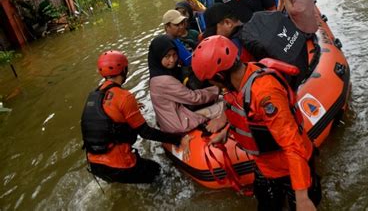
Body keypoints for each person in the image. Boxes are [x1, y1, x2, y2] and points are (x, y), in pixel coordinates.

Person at [192, 36, 321, 211]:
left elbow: (292, 145)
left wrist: (302, 197)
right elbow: (249, 117)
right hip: (266, 167)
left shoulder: (265, 94)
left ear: (221, 75)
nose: (213, 85)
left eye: (212, 80)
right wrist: (227, 132)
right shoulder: (238, 83)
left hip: (290, 167)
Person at [81, 50, 188, 184]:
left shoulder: (95, 95)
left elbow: (106, 113)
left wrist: (132, 106)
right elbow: (145, 132)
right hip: (120, 166)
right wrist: (177, 139)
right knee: (159, 172)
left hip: (95, 166)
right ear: (124, 70)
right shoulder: (124, 97)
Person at [148, 35, 224, 134]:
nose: (172, 60)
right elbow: (193, 98)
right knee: (224, 104)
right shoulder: (164, 81)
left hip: (170, 118)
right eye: (167, 56)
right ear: (158, 56)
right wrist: (217, 89)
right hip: (179, 123)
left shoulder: (156, 74)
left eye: (174, 55)